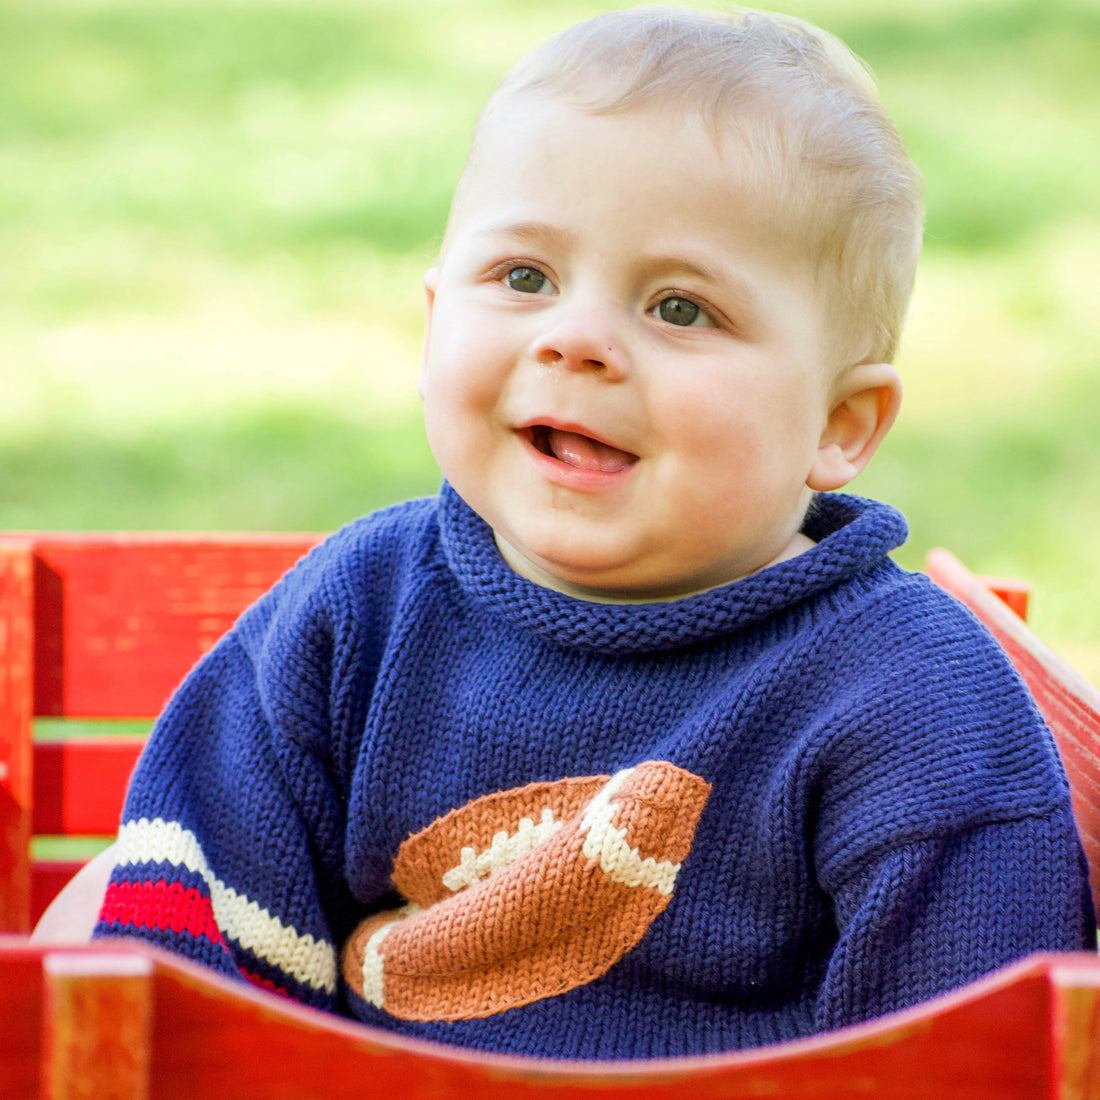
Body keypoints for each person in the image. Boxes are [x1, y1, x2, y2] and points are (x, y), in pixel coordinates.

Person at [62, 4, 1093, 1060]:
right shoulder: (359, 606)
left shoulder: (905, 694)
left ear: (836, 425)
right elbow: (203, 926)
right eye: (523, 278)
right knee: (93, 915)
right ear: (434, 319)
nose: (576, 340)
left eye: (680, 308)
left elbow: (972, 1042)